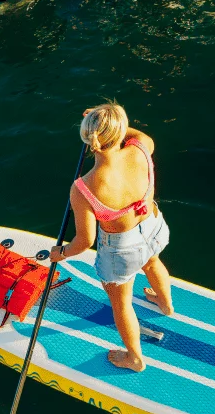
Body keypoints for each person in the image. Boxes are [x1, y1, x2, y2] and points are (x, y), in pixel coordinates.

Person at [50, 102, 173, 372]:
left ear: (88, 139)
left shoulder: (83, 188)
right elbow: (130, 134)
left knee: (121, 303)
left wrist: (62, 253)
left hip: (122, 251)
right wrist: (108, 122)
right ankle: (165, 305)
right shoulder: (142, 147)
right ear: (121, 131)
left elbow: (85, 241)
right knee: (153, 262)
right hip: (153, 226)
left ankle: (135, 359)